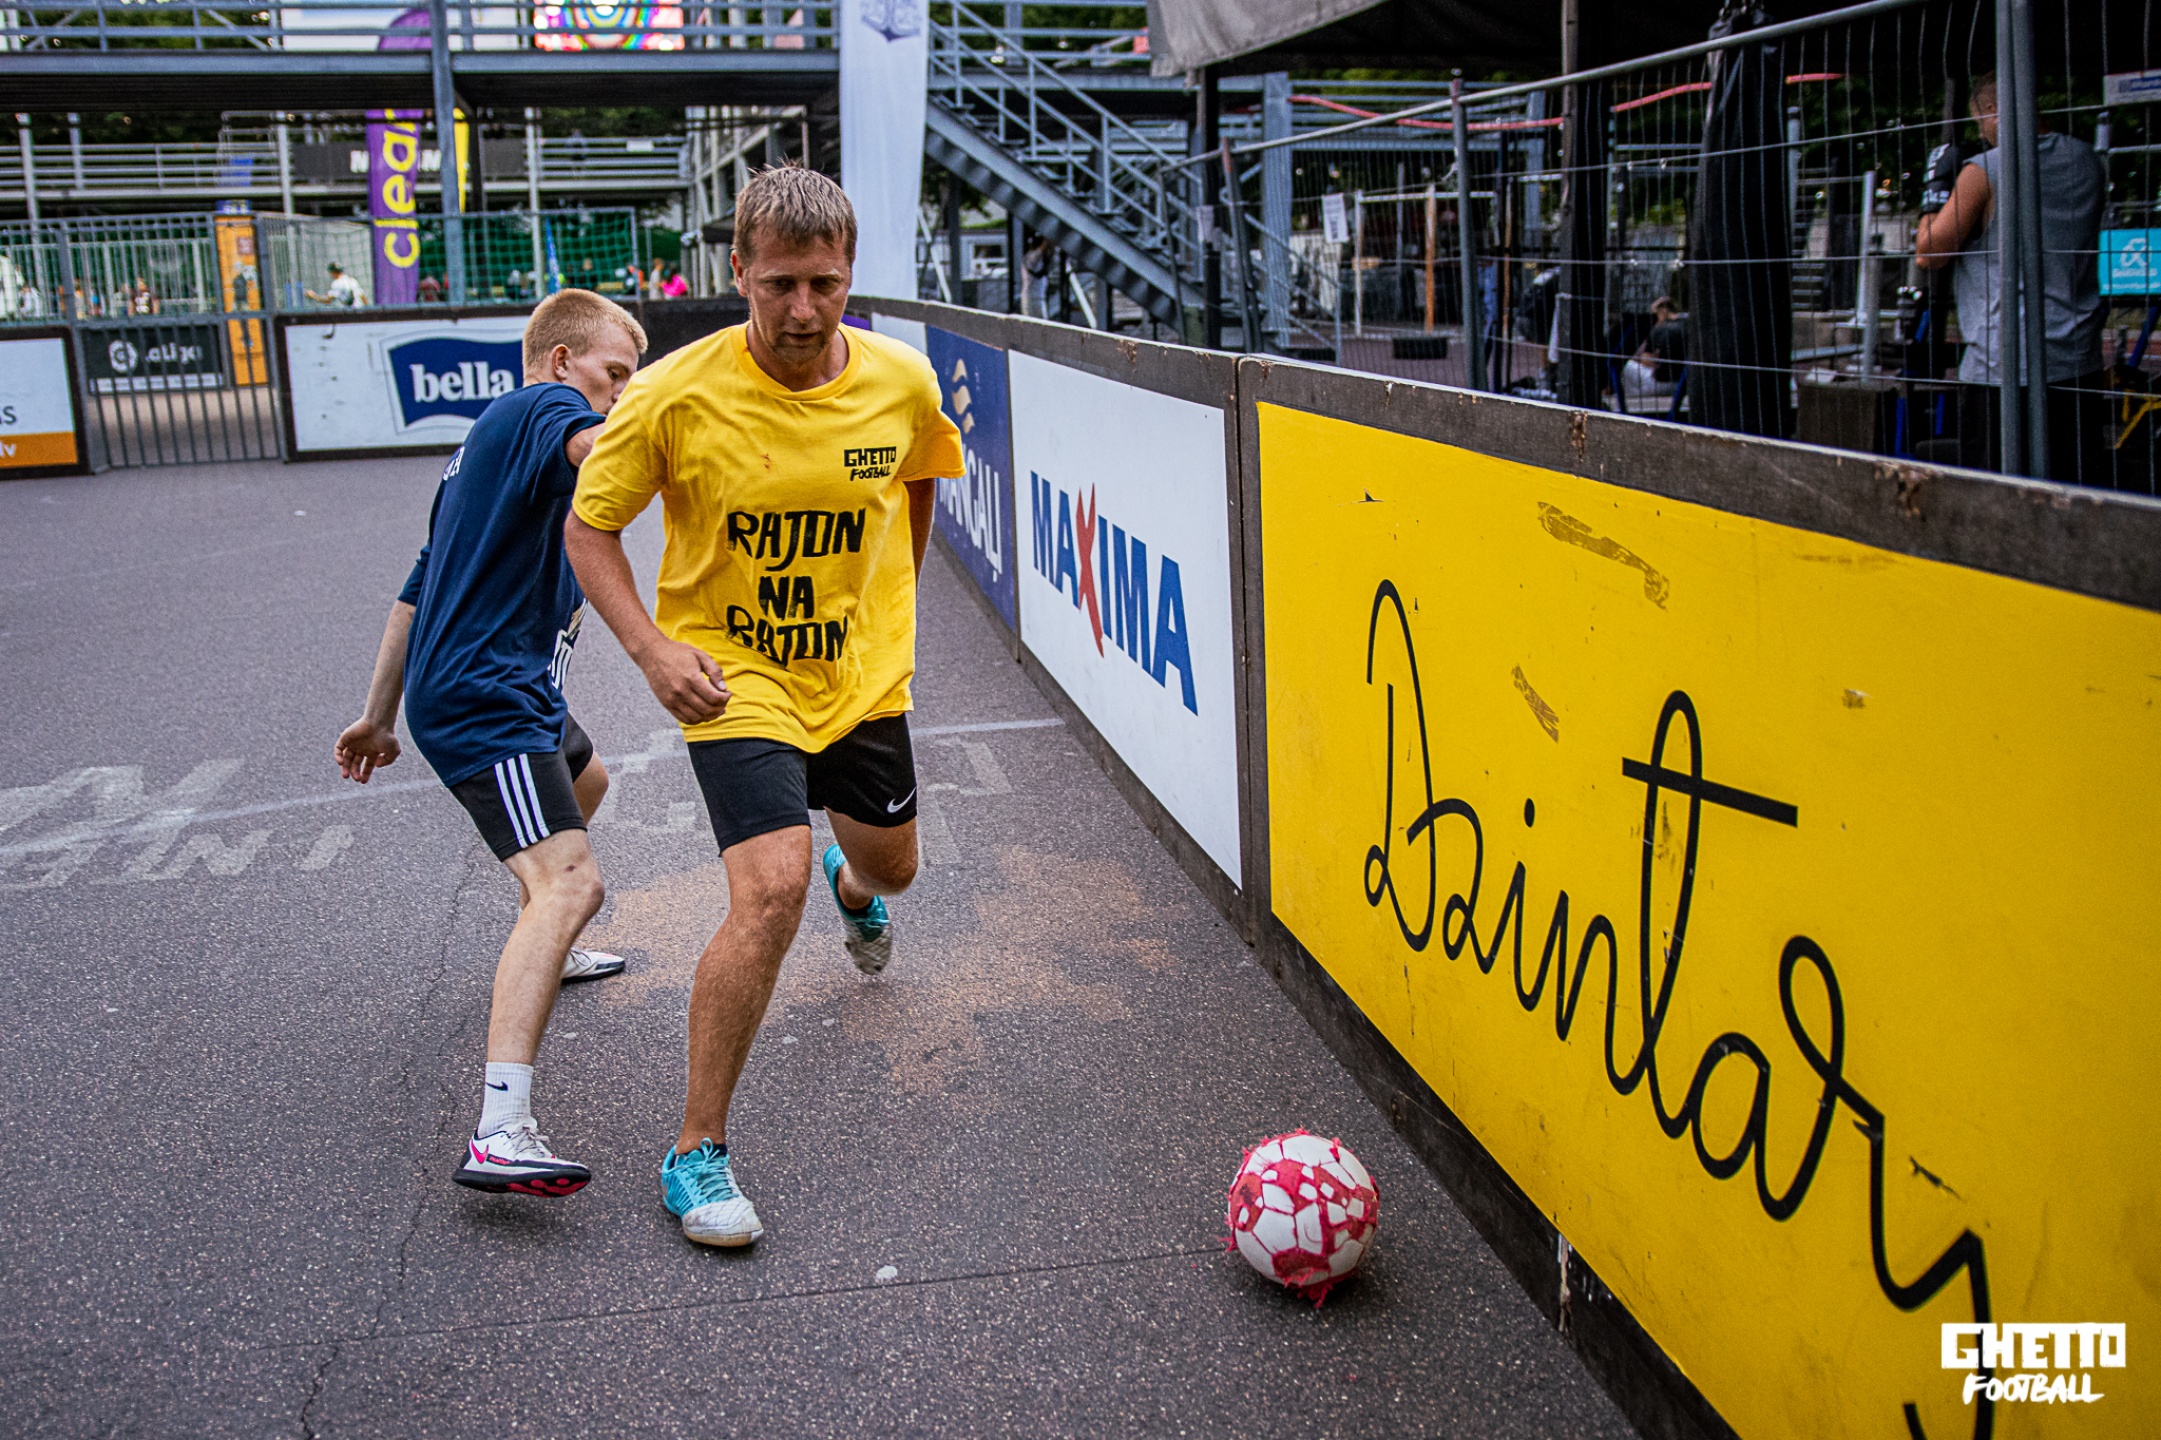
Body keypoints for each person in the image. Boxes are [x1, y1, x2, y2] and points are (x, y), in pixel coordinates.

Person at [565, 165, 964, 1249]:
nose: (801, 310)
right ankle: (694, 1151)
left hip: (861, 678)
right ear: (737, 270)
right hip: (734, 674)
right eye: (778, 283)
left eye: (824, 284)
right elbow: (588, 529)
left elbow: (917, 479)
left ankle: (853, 880)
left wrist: (890, 608)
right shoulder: (671, 394)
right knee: (769, 889)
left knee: (892, 871)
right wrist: (651, 650)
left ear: (849, 276)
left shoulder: (900, 380)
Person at [334, 289, 648, 1199]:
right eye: (613, 375)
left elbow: (415, 591)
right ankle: (500, 1132)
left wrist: (376, 717)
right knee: (571, 883)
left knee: (589, 781)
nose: (620, 394)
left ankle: (549, 945)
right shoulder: (544, 408)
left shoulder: (481, 452)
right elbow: (602, 449)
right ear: (561, 361)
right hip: (485, 698)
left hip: (510, 690)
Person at [1915, 72, 2109, 486]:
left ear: (1991, 111)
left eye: (1979, 124)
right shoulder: (2086, 160)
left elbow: (1929, 251)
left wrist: (1934, 192)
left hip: (2003, 363)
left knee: (1997, 491)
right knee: (2075, 485)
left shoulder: (1987, 169)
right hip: (2078, 356)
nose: (1981, 135)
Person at [1618, 297, 1685, 413]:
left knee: (1625, 365)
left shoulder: (1659, 329)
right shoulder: (1687, 325)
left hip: (1659, 384)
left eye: (1654, 314)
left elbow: (1646, 360)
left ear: (1662, 311)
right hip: (1682, 385)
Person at [1021, 234, 1053, 318]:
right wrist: (1048, 240)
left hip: (1038, 297)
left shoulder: (1039, 258)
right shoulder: (1031, 256)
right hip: (1032, 298)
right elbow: (1041, 250)